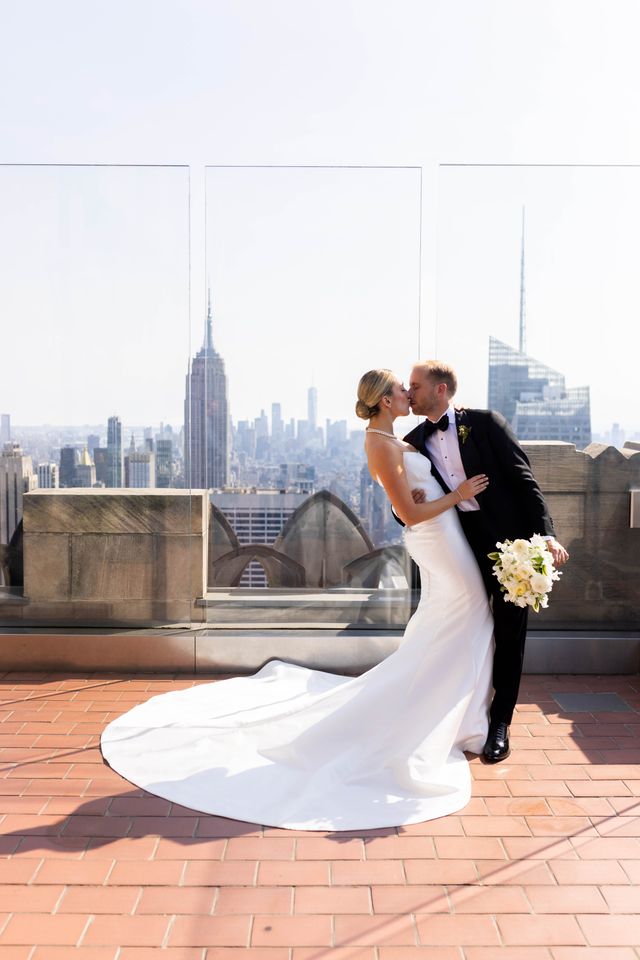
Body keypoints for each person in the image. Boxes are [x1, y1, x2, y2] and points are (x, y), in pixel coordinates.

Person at [100, 369, 495, 831]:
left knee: (456, 619)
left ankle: (458, 716)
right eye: (400, 389)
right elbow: (407, 513)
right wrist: (459, 496)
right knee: (465, 613)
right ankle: (442, 716)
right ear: (385, 401)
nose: (408, 393)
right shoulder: (379, 444)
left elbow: (412, 490)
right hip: (435, 537)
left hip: (444, 536)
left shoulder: (396, 438)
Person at [403, 360, 569, 763]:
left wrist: (545, 535)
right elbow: (401, 502)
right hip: (461, 549)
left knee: (511, 635)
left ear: (441, 390)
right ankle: (457, 714)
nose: (409, 393)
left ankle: (499, 724)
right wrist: (414, 503)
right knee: (468, 628)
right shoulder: (412, 440)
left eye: (415, 386)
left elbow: (522, 479)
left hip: (513, 545)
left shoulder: (486, 423)